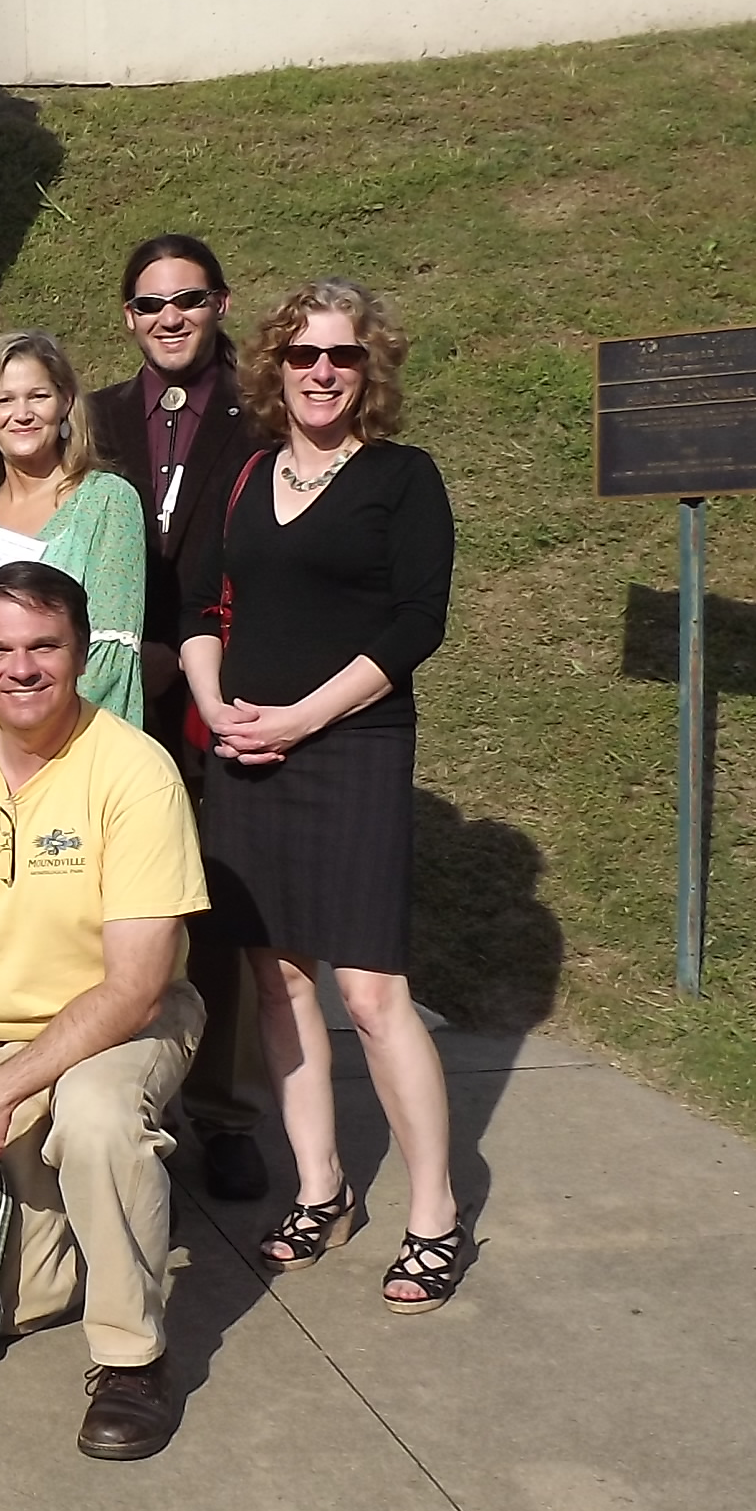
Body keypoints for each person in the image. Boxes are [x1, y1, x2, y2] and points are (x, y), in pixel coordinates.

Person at [0, 561, 209, 1461]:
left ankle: (133, 1357)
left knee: (97, 1120)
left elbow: (133, 987)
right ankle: (77, 1225)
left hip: (118, 1030)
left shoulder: (136, 772)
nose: (22, 668)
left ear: (82, 652)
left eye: (44, 646)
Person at [180, 280, 464, 1311]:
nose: (322, 373)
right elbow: (204, 599)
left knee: (370, 993)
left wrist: (302, 717)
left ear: (369, 367)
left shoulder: (401, 479)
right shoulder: (250, 472)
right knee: (278, 981)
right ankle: (322, 1190)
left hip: (354, 751)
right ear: (275, 367)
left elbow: (414, 625)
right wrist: (216, 705)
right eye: (303, 356)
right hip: (250, 751)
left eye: (342, 356)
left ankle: (432, 1211)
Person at [89, 234, 269, 1202]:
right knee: (115, 913)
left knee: (223, 907)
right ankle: (126, 1095)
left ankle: (226, 1111)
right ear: (128, 316)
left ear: (219, 303)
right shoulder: (96, 416)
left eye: (188, 299)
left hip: (222, 701)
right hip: (109, 704)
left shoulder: (264, 415)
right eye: (151, 302)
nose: (169, 316)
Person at [0, 330, 147, 730]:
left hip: (70, 756)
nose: (21, 414)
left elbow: (111, 655)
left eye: (37, 396)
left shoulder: (107, 503)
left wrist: (29, 746)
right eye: (4, 400)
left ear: (65, 403)